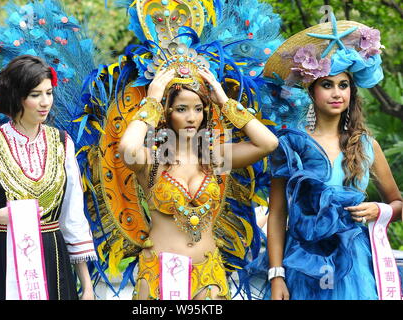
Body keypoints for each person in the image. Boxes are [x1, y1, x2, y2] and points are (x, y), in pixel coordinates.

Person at [262, 15, 403, 299]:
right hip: (302, 261)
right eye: (327, 85)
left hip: (354, 265)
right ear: (312, 92)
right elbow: (277, 214)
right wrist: (276, 275)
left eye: (343, 85)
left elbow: (397, 202)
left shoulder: (366, 145)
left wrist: (380, 210)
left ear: (352, 90)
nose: (337, 93)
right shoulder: (291, 144)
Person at [117, 56, 278, 300]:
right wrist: (152, 100)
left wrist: (224, 101)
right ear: (167, 112)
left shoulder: (214, 159)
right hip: (158, 278)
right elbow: (127, 147)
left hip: (209, 276)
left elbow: (268, 143)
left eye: (198, 108)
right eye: (182, 109)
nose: (192, 117)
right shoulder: (150, 161)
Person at [0, 55, 97, 300]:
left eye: (49, 93)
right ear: (16, 97)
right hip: (3, 259)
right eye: (35, 95)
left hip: (54, 262)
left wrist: (87, 286)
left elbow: (72, 217)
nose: (45, 102)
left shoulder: (62, 144)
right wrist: (0, 216)